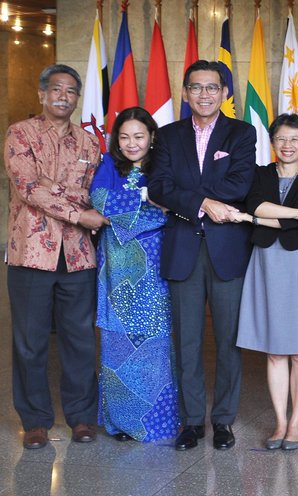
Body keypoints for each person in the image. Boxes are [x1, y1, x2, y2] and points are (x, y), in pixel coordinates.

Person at [149, 60, 257, 451]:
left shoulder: (241, 133)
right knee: (187, 341)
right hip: (183, 249)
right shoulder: (167, 135)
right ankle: (193, 422)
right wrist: (203, 202)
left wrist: (194, 196)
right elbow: (159, 187)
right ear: (184, 93)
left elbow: (241, 183)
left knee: (229, 340)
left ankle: (224, 420)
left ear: (225, 94)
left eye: (213, 88)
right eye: (196, 88)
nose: (205, 94)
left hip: (227, 248)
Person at [4, 64, 105, 449]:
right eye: (56, 90)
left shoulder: (89, 144)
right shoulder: (20, 134)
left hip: (78, 256)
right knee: (30, 342)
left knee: (79, 339)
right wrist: (75, 209)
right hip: (31, 253)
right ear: (42, 95)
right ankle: (35, 421)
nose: (64, 96)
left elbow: (94, 192)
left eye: (71, 91)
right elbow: (29, 187)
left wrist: (54, 187)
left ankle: (81, 417)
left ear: (77, 98)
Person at [232, 114, 298, 451]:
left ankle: (297, 422)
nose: (287, 146)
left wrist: (259, 218)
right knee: (274, 351)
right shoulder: (258, 174)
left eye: (295, 140)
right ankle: (280, 422)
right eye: (281, 139)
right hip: (266, 262)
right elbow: (256, 205)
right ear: (271, 143)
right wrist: (291, 216)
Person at [93, 106, 180, 442]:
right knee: (116, 341)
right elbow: (100, 201)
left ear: (152, 137)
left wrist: (133, 209)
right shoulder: (107, 165)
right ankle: (120, 422)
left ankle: (156, 421)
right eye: (125, 137)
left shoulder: (164, 166)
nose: (132, 143)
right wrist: (149, 206)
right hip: (116, 269)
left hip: (155, 266)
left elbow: (172, 208)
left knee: (155, 343)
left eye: (139, 136)